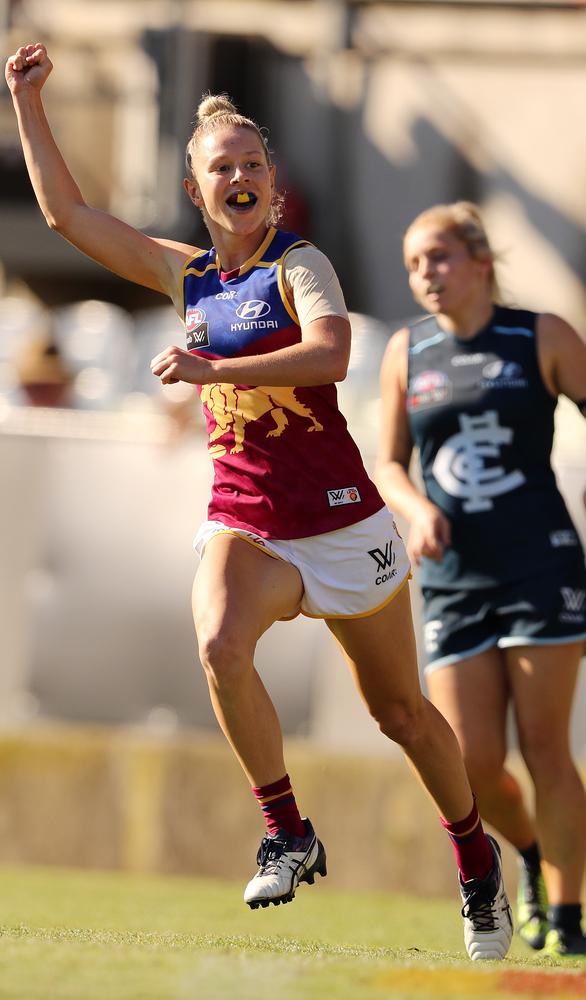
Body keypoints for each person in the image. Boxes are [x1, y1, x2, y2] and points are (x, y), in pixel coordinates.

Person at [5, 46, 513, 960]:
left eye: (252, 164)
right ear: (197, 192)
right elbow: (65, 214)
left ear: (271, 183)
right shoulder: (187, 275)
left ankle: (476, 860)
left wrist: (214, 366)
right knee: (218, 643)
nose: (239, 177)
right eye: (221, 168)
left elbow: (331, 355)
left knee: (401, 715)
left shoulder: (300, 261)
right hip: (249, 518)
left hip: (342, 519)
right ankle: (287, 829)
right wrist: (26, 100)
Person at [375, 200, 586, 959]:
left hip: (541, 564)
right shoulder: (407, 350)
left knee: (546, 748)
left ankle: (566, 917)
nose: (424, 274)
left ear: (479, 260)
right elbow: (389, 462)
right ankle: (529, 852)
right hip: (455, 576)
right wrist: (416, 508)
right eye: (412, 264)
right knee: (471, 764)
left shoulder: (543, 335)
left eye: (437, 256)